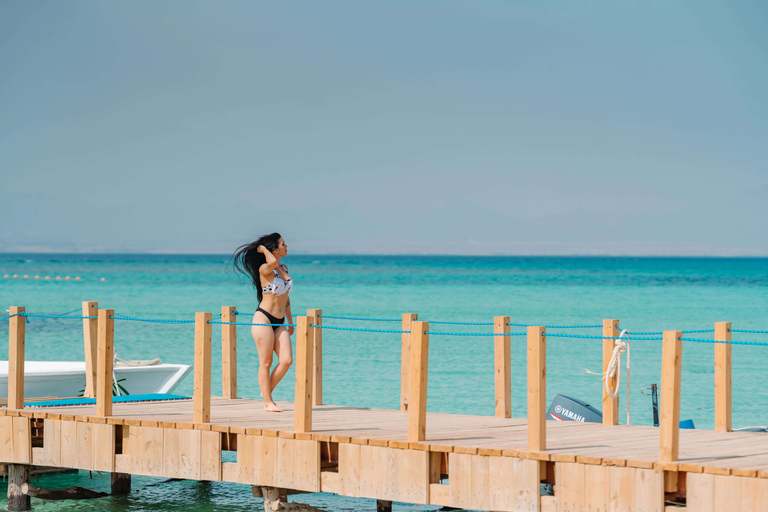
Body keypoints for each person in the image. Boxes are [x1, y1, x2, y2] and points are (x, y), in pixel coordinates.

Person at [232, 233, 293, 412]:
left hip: (280, 321)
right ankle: (268, 402)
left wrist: (290, 321)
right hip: (263, 318)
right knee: (266, 362)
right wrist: (262, 249)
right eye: (283, 244)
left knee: (287, 361)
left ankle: (265, 392)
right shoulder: (265, 269)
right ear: (274, 250)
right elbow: (272, 263)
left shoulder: (283, 268)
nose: (286, 246)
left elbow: (286, 298)